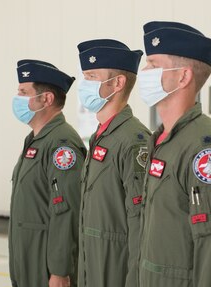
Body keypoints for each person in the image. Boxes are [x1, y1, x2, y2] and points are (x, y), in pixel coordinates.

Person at [137, 21, 211, 287]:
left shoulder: (205, 151)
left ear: (183, 77)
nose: (144, 71)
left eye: (153, 64)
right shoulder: (164, 140)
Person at [76, 39, 151, 287]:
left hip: (117, 272)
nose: (84, 84)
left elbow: (141, 222)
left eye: (92, 76)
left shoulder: (132, 140)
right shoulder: (103, 135)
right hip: (94, 268)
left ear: (117, 83)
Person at [9, 59, 86, 287]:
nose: (17, 98)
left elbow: (66, 211)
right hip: (29, 260)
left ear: (47, 99)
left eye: (24, 92)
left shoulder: (62, 145)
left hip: (46, 267)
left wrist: (60, 271)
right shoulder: (35, 141)